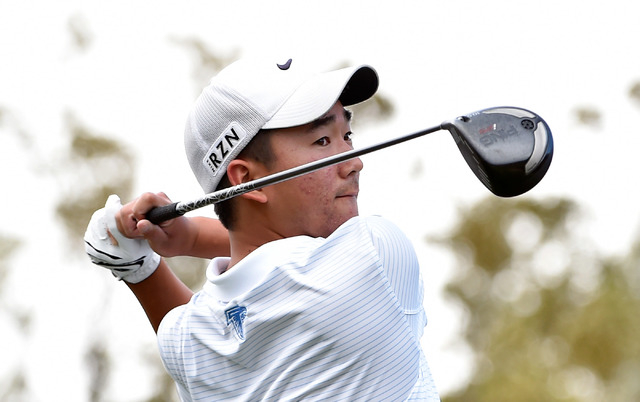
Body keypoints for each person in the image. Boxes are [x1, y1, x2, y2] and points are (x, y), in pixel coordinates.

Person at [84, 57, 440, 401]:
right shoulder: (375, 254)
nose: (354, 162)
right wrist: (189, 239)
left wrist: (134, 263)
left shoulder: (185, 342)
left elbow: (207, 325)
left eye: (347, 134)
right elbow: (298, 262)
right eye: (322, 141)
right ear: (247, 180)